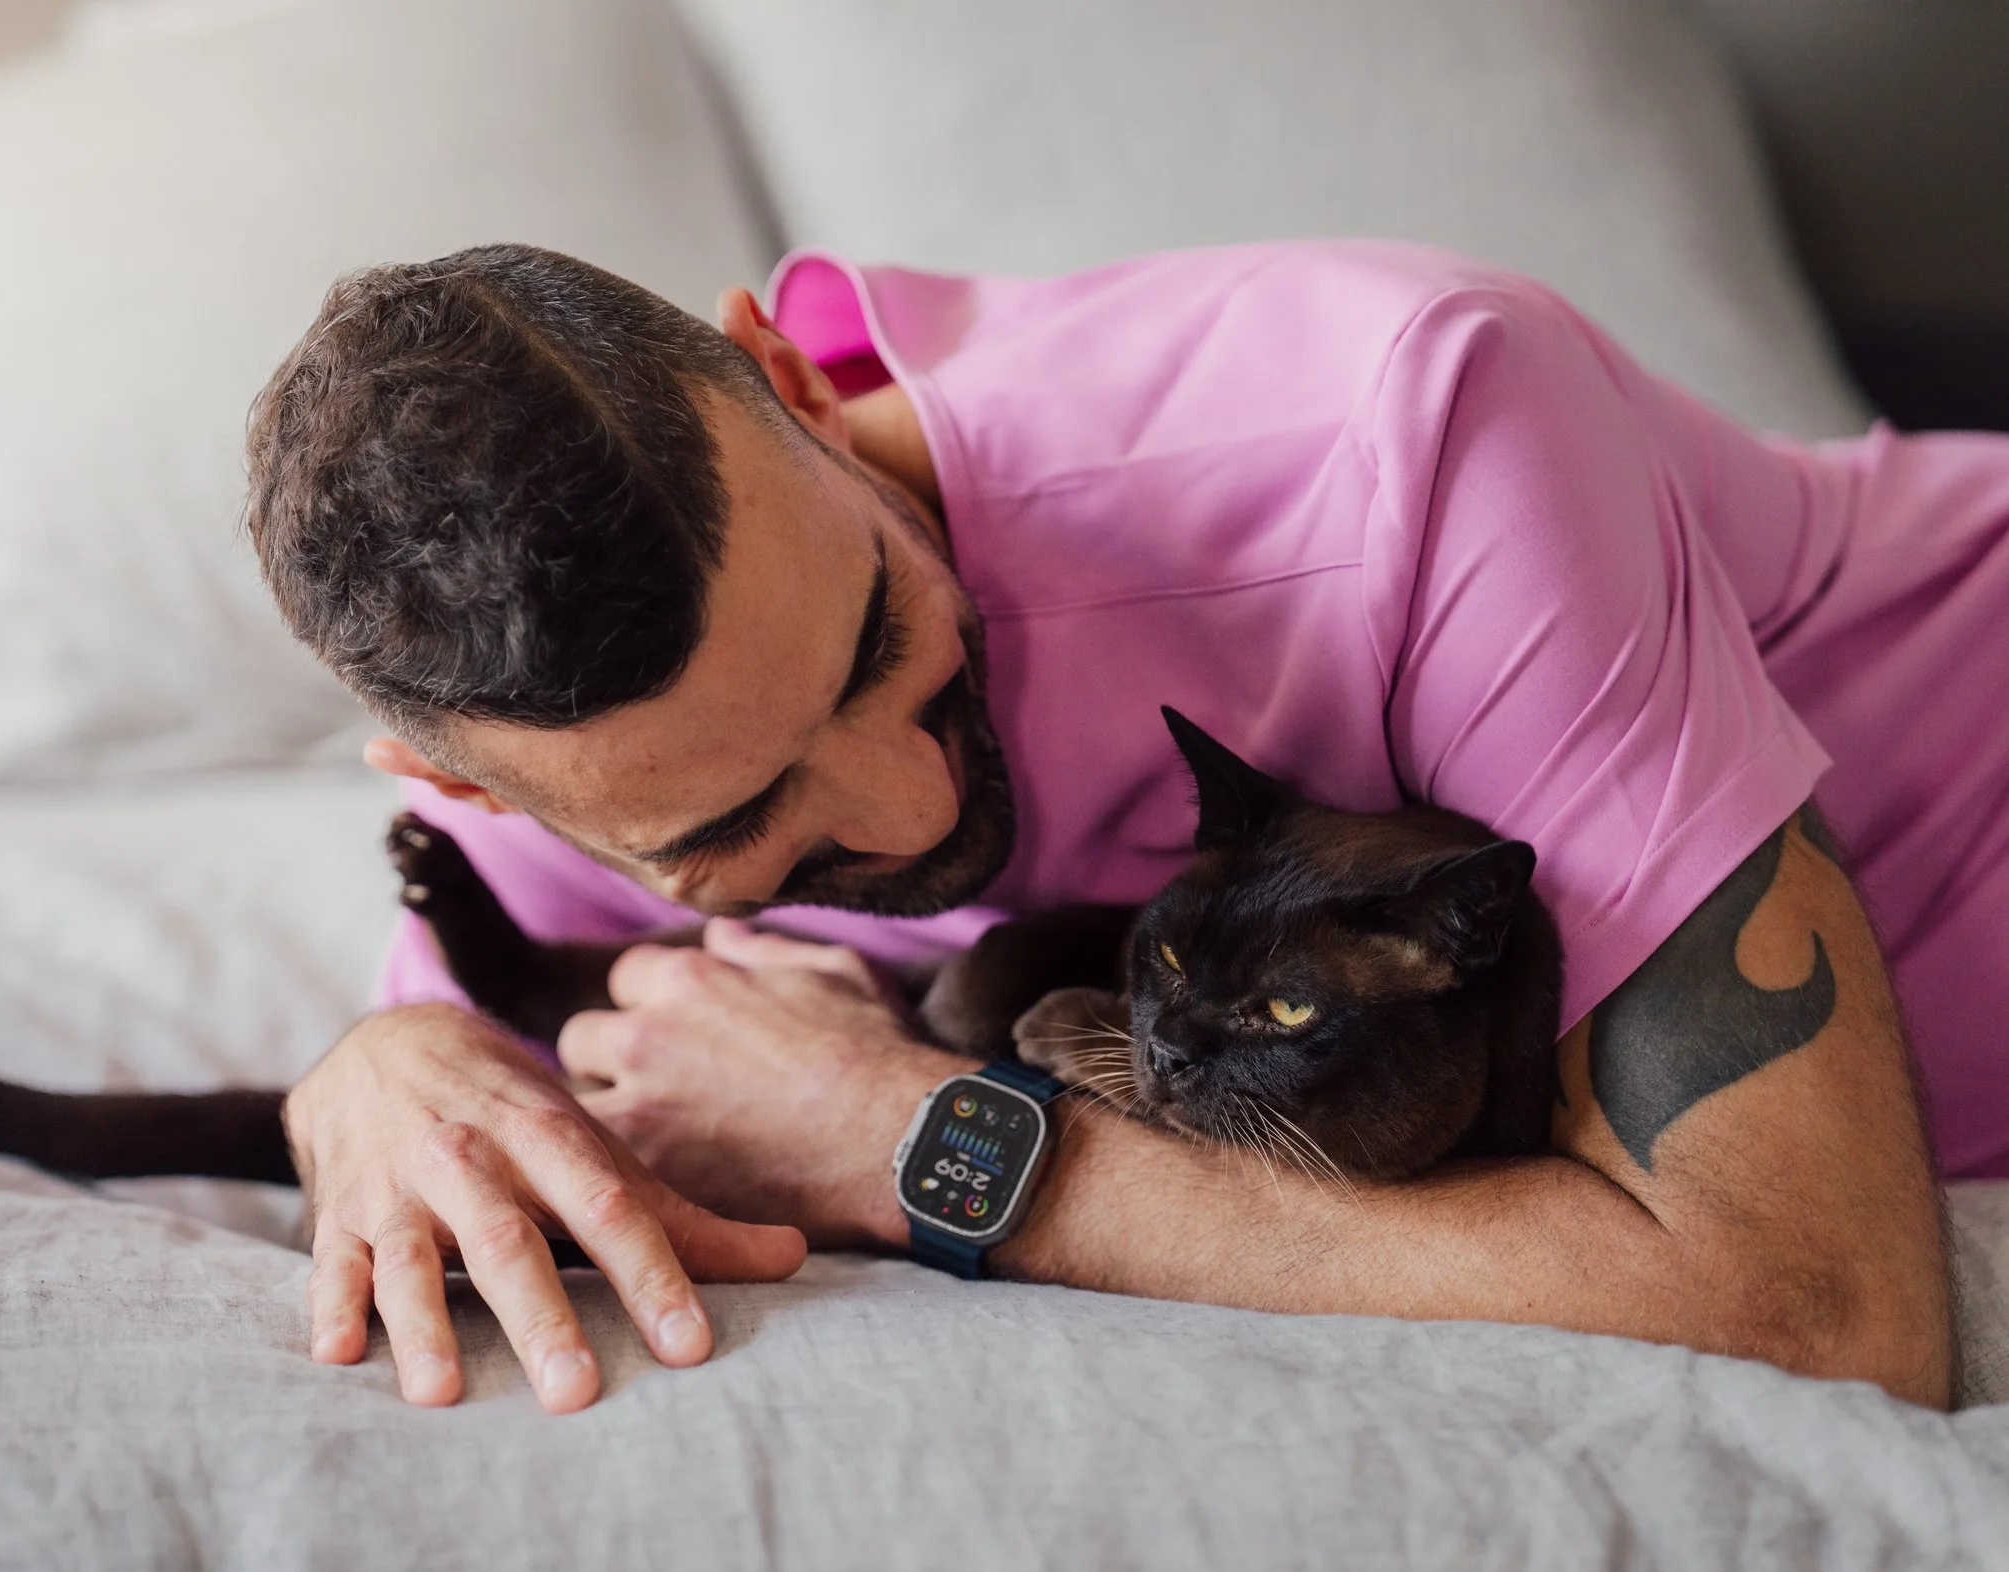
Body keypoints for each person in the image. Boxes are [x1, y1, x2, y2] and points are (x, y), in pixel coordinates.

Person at [247, 240, 2004, 1416]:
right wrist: (373, 1075)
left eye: (875, 644)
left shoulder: (1426, 424)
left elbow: (1823, 1314)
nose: (916, 806)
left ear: (792, 384)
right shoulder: (563, 754)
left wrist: (915, 1137)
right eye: (747, 822)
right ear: (472, 792)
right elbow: (447, 1078)